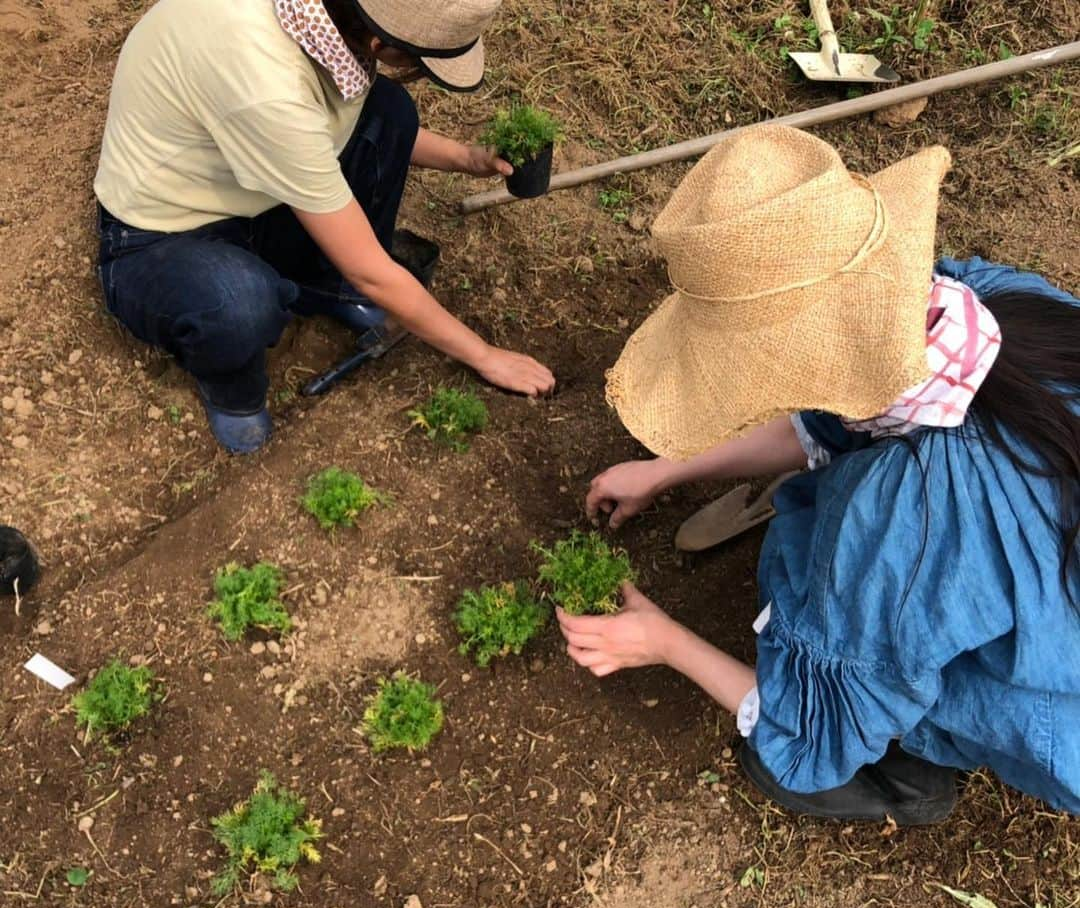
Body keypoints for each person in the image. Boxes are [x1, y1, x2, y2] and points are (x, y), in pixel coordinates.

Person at [556, 125, 1080, 824]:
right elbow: (837, 415)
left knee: (790, 752)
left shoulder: (908, 522)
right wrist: (664, 471)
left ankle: (906, 777)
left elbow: (805, 724)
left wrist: (662, 642)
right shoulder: (986, 302)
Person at [94, 0, 555, 453]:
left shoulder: (324, 18)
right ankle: (232, 390)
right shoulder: (265, 78)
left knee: (390, 112)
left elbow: (334, 124)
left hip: (251, 185)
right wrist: (485, 356)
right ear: (380, 42)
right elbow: (371, 270)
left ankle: (323, 285)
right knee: (238, 305)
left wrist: (465, 158)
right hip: (165, 230)